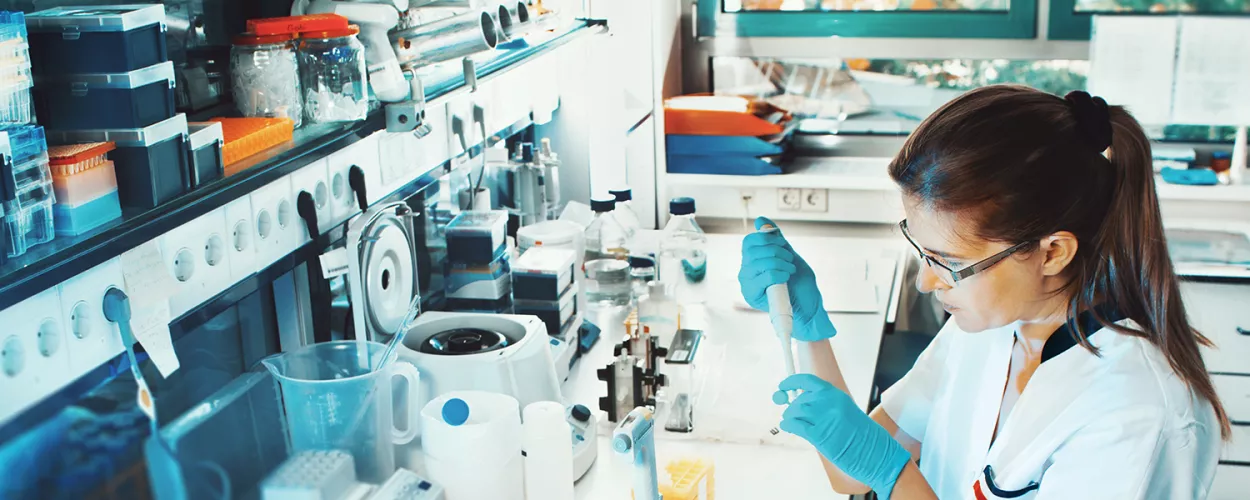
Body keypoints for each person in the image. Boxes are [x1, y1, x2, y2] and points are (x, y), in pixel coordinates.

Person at [738, 86, 1230, 499]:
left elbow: (880, 468)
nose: (926, 281)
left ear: (1052, 252)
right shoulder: (990, 326)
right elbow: (851, 473)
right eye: (922, 251)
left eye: (950, 262)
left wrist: (894, 475)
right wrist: (808, 329)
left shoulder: (1133, 412)